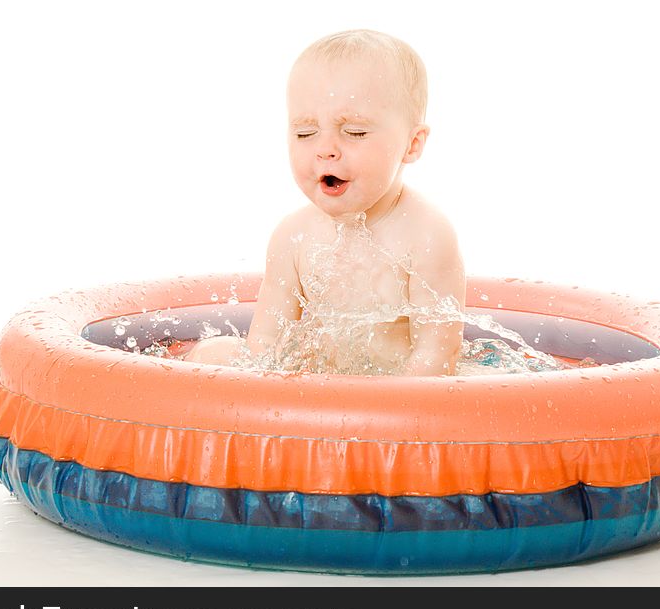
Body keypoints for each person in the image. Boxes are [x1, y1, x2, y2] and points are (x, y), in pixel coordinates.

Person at [185, 29, 465, 375]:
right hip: (319, 397)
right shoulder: (293, 236)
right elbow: (266, 351)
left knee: (489, 384)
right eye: (305, 133)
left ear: (412, 143)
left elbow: (436, 359)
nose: (325, 148)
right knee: (211, 354)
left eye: (354, 132)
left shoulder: (426, 236)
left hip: (394, 400)